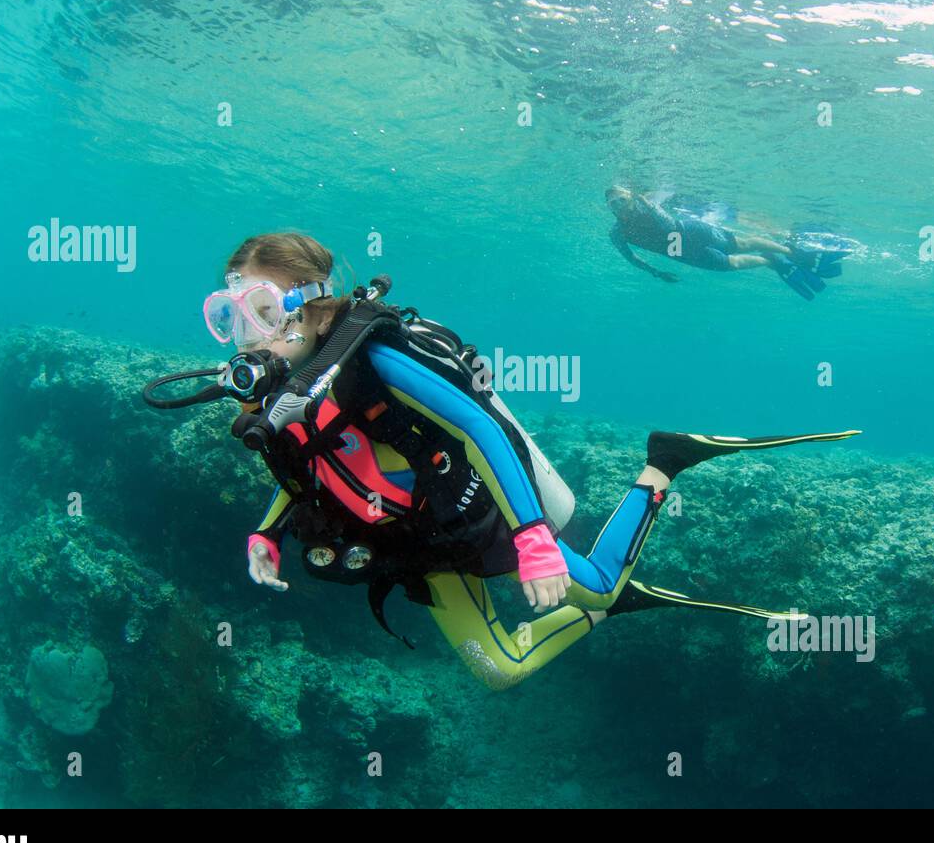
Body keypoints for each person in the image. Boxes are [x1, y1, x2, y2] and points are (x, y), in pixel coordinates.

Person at [156, 232, 860, 690]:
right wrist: (263, 533)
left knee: (601, 581)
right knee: (500, 671)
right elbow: (304, 467)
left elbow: (481, 426)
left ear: (312, 305)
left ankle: (664, 464)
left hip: (475, 516)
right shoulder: (276, 386)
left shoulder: (376, 358)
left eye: (261, 310)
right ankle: (607, 608)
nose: (247, 336)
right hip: (412, 546)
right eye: (230, 315)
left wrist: (531, 538)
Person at [605, 185, 850, 300]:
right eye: (613, 204)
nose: (619, 206)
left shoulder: (649, 207)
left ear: (631, 198)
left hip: (691, 233)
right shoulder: (617, 233)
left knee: (741, 244)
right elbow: (631, 258)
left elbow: (669, 226)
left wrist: (646, 203)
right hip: (681, 252)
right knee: (729, 264)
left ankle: (794, 254)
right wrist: (656, 273)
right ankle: (772, 261)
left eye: (622, 200)